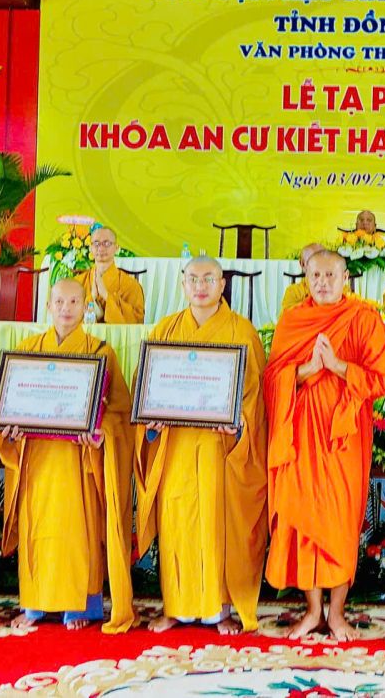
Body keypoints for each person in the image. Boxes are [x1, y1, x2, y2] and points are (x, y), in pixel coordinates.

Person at [265, 250, 385, 641]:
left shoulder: (362, 319)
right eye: (315, 276)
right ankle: (312, 611)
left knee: (339, 520)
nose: (322, 283)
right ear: (305, 279)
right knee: (304, 516)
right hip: (300, 434)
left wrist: (339, 366)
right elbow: (272, 379)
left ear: (345, 280)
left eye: (330, 275)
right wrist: (309, 369)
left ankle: (337, 613)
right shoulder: (293, 320)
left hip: (344, 437)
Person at [136, 257, 268, 634]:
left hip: (219, 449)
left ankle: (218, 608)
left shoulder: (242, 332)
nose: (200, 286)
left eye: (209, 279)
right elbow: (146, 386)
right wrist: (151, 424)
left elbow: (254, 397)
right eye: (193, 279)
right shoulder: (166, 329)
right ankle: (175, 606)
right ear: (182, 284)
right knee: (176, 523)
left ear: (222, 285)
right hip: (175, 447)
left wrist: (237, 423)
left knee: (216, 524)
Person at [0, 278, 136, 632]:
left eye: (74, 302)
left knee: (78, 530)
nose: (66, 309)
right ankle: (35, 603)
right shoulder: (27, 350)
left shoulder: (101, 352)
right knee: (39, 528)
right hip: (37, 458)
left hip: (79, 461)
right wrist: (10, 429)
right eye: (59, 301)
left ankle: (81, 604)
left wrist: (101, 431)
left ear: (86, 307)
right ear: (48, 306)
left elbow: (120, 411)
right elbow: (9, 404)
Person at [76, 226, 145, 323]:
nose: (101, 248)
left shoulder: (131, 285)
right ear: (90, 248)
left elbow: (137, 321)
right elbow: (69, 318)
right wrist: (92, 297)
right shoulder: (77, 283)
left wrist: (106, 295)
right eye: (96, 243)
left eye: (107, 243)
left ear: (116, 248)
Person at [281, 243, 328, 313]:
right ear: (302, 264)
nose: (320, 264)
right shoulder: (294, 292)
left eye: (324, 260)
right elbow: (289, 317)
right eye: (313, 261)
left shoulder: (339, 289)